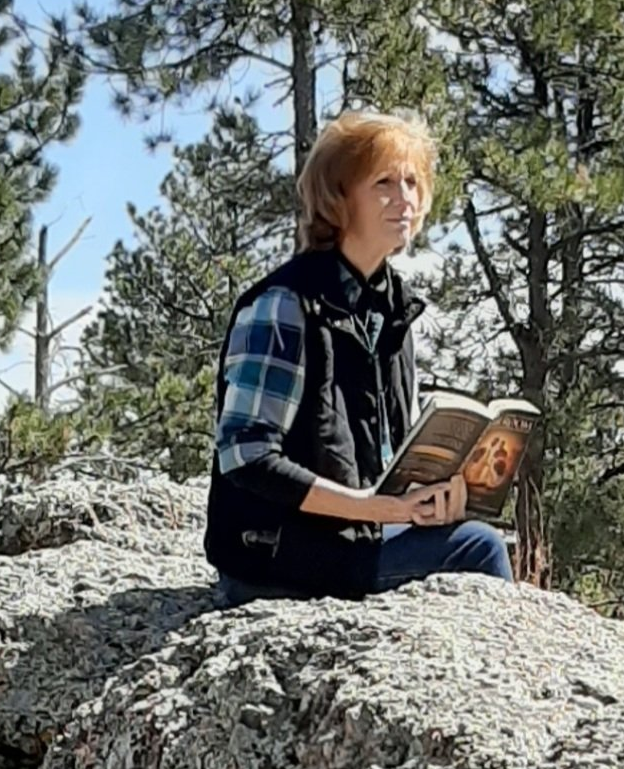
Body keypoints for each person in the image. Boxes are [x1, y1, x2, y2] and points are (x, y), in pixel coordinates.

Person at [204, 110, 514, 604]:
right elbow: (247, 456)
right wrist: (375, 508)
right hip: (273, 557)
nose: (405, 199)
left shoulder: (392, 309)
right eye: (384, 183)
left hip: (352, 539)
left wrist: (434, 501)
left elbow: (386, 463)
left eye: (413, 182)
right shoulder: (285, 305)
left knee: (469, 532)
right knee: (477, 549)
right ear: (338, 197)